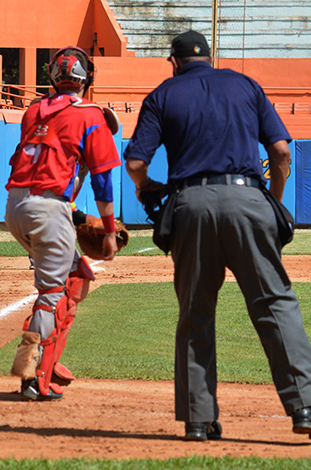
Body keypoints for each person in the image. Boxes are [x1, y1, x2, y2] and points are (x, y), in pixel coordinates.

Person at [124, 30, 311, 441]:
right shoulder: (244, 84)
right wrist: (275, 203)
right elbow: (281, 152)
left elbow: (136, 161)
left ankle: (197, 420)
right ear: (211, 58)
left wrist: (146, 187)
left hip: (191, 205)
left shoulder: (163, 93)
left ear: (173, 62)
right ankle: (305, 408)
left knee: (195, 313)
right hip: (248, 200)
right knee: (276, 305)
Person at [4, 46, 121, 401]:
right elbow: (102, 180)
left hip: (17, 207)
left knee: (74, 282)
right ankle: (32, 374)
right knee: (54, 294)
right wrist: (110, 230)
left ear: (53, 77)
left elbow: (49, 173)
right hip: (46, 210)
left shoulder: (34, 110)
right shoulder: (90, 116)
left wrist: (75, 215)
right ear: (89, 79)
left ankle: (47, 361)